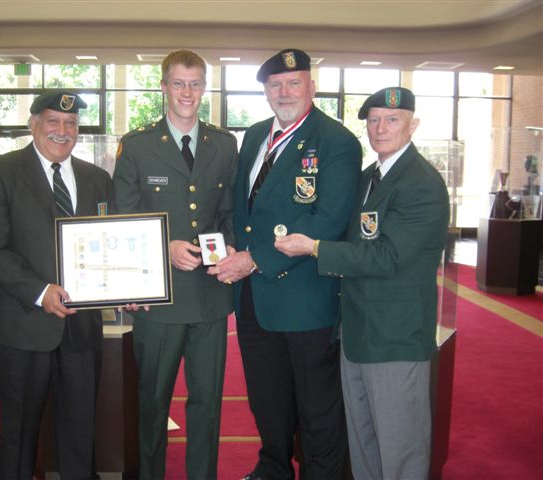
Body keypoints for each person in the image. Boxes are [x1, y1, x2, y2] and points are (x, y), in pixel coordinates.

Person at [275, 87, 450, 480]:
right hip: (356, 335)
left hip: (394, 339)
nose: (381, 128)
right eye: (373, 121)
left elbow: (387, 257)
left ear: (412, 125)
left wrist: (315, 247)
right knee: (365, 446)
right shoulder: (369, 177)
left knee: (400, 450)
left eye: (392, 120)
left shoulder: (420, 183)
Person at [211, 48, 362, 479]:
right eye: (274, 85)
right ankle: (273, 468)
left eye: (293, 83)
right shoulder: (256, 134)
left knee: (316, 403)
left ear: (311, 87)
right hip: (254, 297)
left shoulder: (336, 142)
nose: (284, 91)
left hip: (304, 297)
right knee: (267, 396)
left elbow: (327, 222)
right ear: (265, 92)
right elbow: (246, 212)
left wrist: (252, 261)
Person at [0, 91, 116, 479]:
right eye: (52, 121)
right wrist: (40, 290)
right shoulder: (1, 171)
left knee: (80, 429)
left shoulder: (97, 178)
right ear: (33, 124)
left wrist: (125, 288)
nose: (62, 130)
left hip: (82, 326)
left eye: (70, 124)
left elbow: (109, 242)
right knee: (19, 431)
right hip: (24, 323)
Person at [112, 50, 238, 479]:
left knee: (207, 406)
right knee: (153, 403)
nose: (187, 92)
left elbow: (228, 215)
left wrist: (224, 253)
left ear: (205, 87)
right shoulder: (138, 145)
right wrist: (164, 246)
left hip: (210, 297)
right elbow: (124, 218)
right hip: (159, 300)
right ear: (163, 86)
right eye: (179, 83)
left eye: (196, 83)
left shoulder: (224, 143)